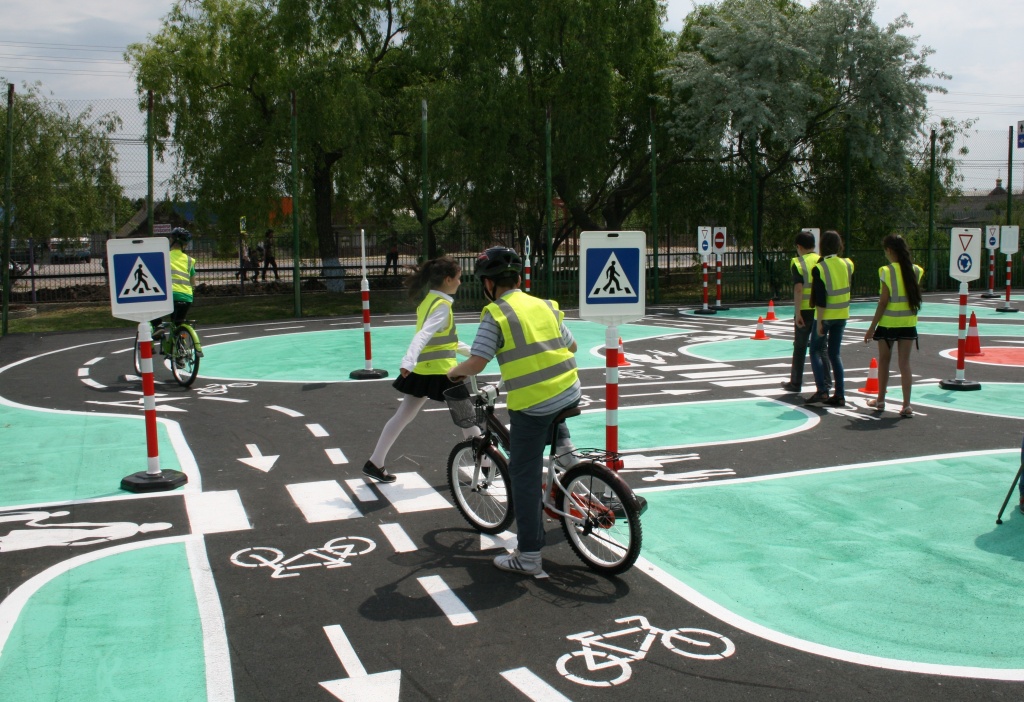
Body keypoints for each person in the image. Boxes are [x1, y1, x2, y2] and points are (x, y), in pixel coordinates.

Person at [447, 247, 580, 577]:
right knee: (555, 419)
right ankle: (573, 469)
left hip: (533, 406)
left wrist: (454, 374)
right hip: (569, 391)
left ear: (489, 284)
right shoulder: (545, 305)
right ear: (518, 278)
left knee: (523, 473)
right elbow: (571, 346)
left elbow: (478, 360)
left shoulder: (496, 313)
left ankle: (529, 556)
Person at [363, 256, 474, 483]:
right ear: (447, 279)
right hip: (443, 373)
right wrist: (408, 360)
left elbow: (445, 341)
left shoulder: (429, 302)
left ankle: (375, 461)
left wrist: (475, 352)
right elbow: (423, 335)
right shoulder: (441, 307)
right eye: (459, 278)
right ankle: (486, 465)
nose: (460, 282)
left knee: (403, 415)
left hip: (425, 371)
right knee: (467, 419)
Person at [862, 234, 923, 417]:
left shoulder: (886, 271)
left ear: (889, 251)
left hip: (888, 323)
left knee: (884, 361)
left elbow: (883, 302)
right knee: (905, 363)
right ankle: (906, 405)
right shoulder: (916, 270)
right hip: (908, 323)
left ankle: (880, 401)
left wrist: (872, 327)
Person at [807, 230, 853, 407]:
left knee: (815, 350)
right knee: (835, 354)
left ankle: (822, 390)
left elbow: (820, 299)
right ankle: (840, 394)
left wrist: (819, 321)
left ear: (822, 246)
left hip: (826, 315)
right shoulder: (848, 264)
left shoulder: (820, 267)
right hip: (842, 314)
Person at [782, 231, 830, 394]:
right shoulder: (823, 261)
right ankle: (825, 384)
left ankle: (796, 383)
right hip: (821, 310)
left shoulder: (798, 262)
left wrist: (797, 312)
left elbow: (798, 288)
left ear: (799, 247)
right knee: (821, 347)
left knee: (800, 346)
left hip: (804, 309)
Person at [151, 227, 197, 334]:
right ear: (185, 245)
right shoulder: (190, 260)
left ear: (170, 241)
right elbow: (193, 282)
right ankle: (179, 342)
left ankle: (158, 326)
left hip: (166, 295)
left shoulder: (162, 257)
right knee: (177, 324)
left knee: (151, 309)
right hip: (186, 296)